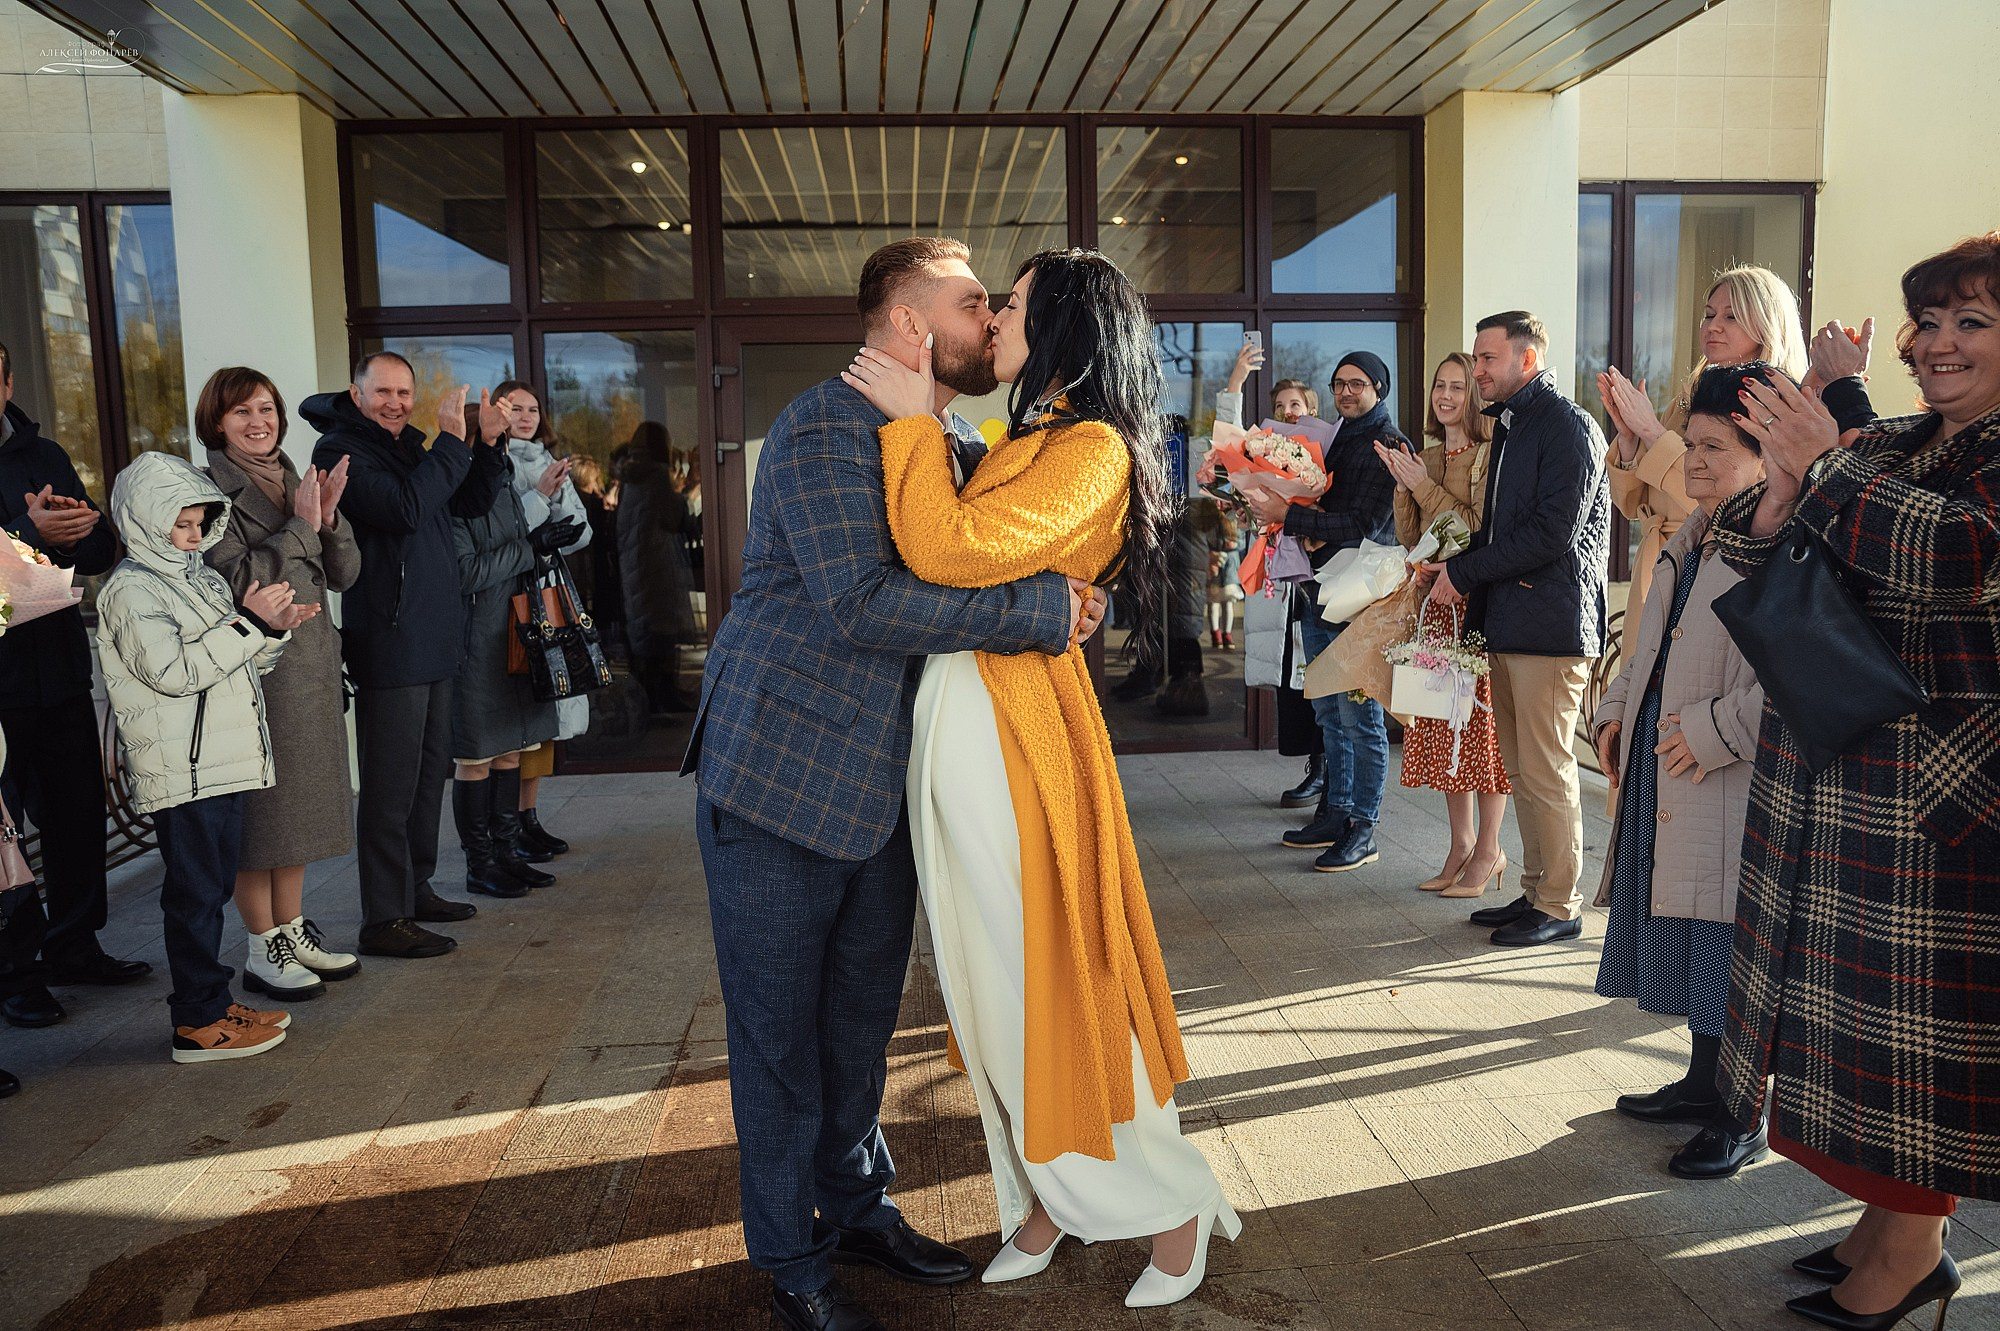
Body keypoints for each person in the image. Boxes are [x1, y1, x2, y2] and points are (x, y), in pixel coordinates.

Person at [684, 236, 1092, 1331]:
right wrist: (1039, 612)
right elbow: (861, 602)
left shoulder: (948, 438)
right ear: (910, 324)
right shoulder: (826, 424)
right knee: (780, 1043)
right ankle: (792, 1260)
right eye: (972, 303)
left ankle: (859, 1208)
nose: (991, 321)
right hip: (777, 780)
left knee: (859, 1029)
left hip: (883, 789)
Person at [848, 247, 1237, 1310]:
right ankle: (1049, 1191)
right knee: (989, 981)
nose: (993, 321)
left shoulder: (1094, 447)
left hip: (1013, 729)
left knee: (1050, 971)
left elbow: (946, 548)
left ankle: (1168, 1202)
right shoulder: (1034, 437)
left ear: (1062, 322)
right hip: (969, 716)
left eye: (1010, 305)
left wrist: (911, 425)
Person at [1710, 234, 2000, 1331]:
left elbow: (1958, 554)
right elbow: (1751, 550)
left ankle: (1912, 1251)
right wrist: (1786, 485)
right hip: (1836, 771)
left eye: (1970, 322)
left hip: (1940, 787)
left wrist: (1823, 467)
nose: (1937, 344)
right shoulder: (1890, 440)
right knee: (1853, 1024)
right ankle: (1883, 1228)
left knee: (1918, 1025)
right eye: (1929, 322)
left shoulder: (1889, 454)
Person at [1590, 363, 1775, 1181]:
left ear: (1764, 452)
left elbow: (1790, 680)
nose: (1695, 461)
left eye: (1715, 447)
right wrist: (1614, 709)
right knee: (1692, 928)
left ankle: (1743, 1115)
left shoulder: (1776, 539)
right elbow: (1652, 645)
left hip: (1723, 770)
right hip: (1670, 761)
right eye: (1690, 444)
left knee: (1729, 943)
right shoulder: (1698, 531)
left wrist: (1711, 732)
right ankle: (1704, 1082)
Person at [95, 451, 314, 1062]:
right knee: (194, 896)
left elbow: (240, 663)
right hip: (182, 768)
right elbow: (175, 672)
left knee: (211, 889)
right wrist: (248, 624)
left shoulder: (202, 579)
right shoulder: (131, 589)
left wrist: (273, 629)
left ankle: (214, 1003)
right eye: (182, 525)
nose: (194, 538)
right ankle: (196, 1023)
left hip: (221, 761)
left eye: (200, 524)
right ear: (145, 520)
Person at [306, 353, 509, 959]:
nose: (396, 403)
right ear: (356, 394)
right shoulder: (340, 451)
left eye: (404, 393)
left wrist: (485, 446)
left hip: (434, 635)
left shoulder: (410, 446)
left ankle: (415, 890)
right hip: (390, 639)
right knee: (390, 786)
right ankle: (383, 918)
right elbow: (405, 508)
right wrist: (449, 442)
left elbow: (466, 503)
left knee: (426, 778)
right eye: (383, 392)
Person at [1424, 311, 1610, 947]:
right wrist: (1449, 564)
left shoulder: (1567, 426)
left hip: (1550, 628)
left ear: (1527, 360)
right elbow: (1502, 531)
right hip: (1512, 622)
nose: (1477, 369)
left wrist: (1464, 571)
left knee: (1547, 769)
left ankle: (1559, 905)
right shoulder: (1513, 424)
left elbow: (1551, 534)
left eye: (1488, 359)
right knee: (1522, 771)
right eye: (1475, 357)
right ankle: (1535, 892)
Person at [199, 368, 364, 1000]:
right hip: (256, 672)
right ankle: (261, 945)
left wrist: (328, 518)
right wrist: (299, 526)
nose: (258, 422)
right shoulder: (208, 489)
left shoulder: (297, 478)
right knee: (261, 816)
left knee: (297, 808)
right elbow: (235, 579)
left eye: (266, 409)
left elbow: (345, 573)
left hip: (310, 667)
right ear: (217, 422)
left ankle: (292, 930)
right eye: (242, 412)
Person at [0, 340, 149, 1029]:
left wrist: (75, 535)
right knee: (5, 841)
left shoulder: (46, 455)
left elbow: (95, 552)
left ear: (7, 384)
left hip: (58, 670)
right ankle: (16, 975)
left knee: (77, 815)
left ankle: (74, 945)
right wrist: (28, 531)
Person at [1596, 266, 1809, 659]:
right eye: (1709, 314)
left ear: (1767, 325)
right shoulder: (1685, 400)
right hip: (1662, 566)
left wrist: (1652, 434)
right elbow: (1637, 506)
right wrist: (1629, 438)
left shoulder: (1778, 405)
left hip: (1721, 567)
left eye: (1731, 316)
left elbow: (1726, 501)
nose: (1714, 326)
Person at [1248, 352, 1404, 874]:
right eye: (1339, 384)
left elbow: (1365, 525)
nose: (1346, 392)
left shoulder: (1388, 444)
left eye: (1357, 384)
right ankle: (1335, 811)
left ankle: (1364, 827)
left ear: (1379, 388)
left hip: (1361, 598)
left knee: (1360, 719)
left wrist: (1290, 516)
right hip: (1318, 590)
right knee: (1328, 711)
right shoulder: (1332, 438)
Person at [1379, 352, 1510, 898]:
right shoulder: (1428, 456)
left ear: (1475, 396)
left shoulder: (1489, 455)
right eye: (1440, 385)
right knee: (1443, 724)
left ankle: (1490, 850)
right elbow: (1413, 537)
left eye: (1458, 386)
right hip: (1435, 607)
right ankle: (1460, 845)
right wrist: (1404, 483)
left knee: (1481, 731)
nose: (1446, 395)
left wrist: (1421, 484)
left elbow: (1476, 528)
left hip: (1475, 604)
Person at [447, 384, 579, 901]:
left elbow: (516, 543)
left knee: (511, 750)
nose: (502, 444)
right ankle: (480, 863)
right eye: (493, 436)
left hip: (516, 629)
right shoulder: (454, 493)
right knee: (478, 755)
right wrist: (530, 548)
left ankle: (507, 853)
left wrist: (541, 543)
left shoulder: (501, 479)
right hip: (476, 637)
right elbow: (466, 572)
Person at [1219, 350, 1325, 806]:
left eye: (1295, 405)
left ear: (1312, 409)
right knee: (1290, 676)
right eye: (1280, 406)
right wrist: (1237, 380)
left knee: (1320, 676)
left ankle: (1328, 771)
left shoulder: (1327, 451)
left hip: (1316, 579)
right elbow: (1227, 442)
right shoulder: (1263, 451)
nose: (1287, 412)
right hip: (1277, 579)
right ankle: (1314, 768)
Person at [496, 381, 591, 857]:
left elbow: (581, 532)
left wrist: (555, 501)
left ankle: (529, 816)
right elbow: (507, 533)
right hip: (508, 592)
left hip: (549, 590)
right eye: (516, 408)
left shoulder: (548, 459)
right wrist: (539, 496)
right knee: (517, 708)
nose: (526, 417)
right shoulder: (492, 462)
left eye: (533, 409)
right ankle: (507, 823)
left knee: (546, 704)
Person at [615, 423, 701, 714]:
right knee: (663, 631)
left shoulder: (630, 475)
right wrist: (689, 493)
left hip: (635, 563)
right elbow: (674, 519)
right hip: (658, 564)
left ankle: (650, 699)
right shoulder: (656, 475)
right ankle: (663, 698)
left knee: (647, 631)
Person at [1192, 496, 1241, 649]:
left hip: (1229, 564)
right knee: (1213, 601)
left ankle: (1227, 634)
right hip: (1213, 562)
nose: (1219, 504)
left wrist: (1235, 544)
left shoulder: (1233, 517)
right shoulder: (1208, 520)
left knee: (1228, 601)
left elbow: (1242, 540)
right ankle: (1216, 633)